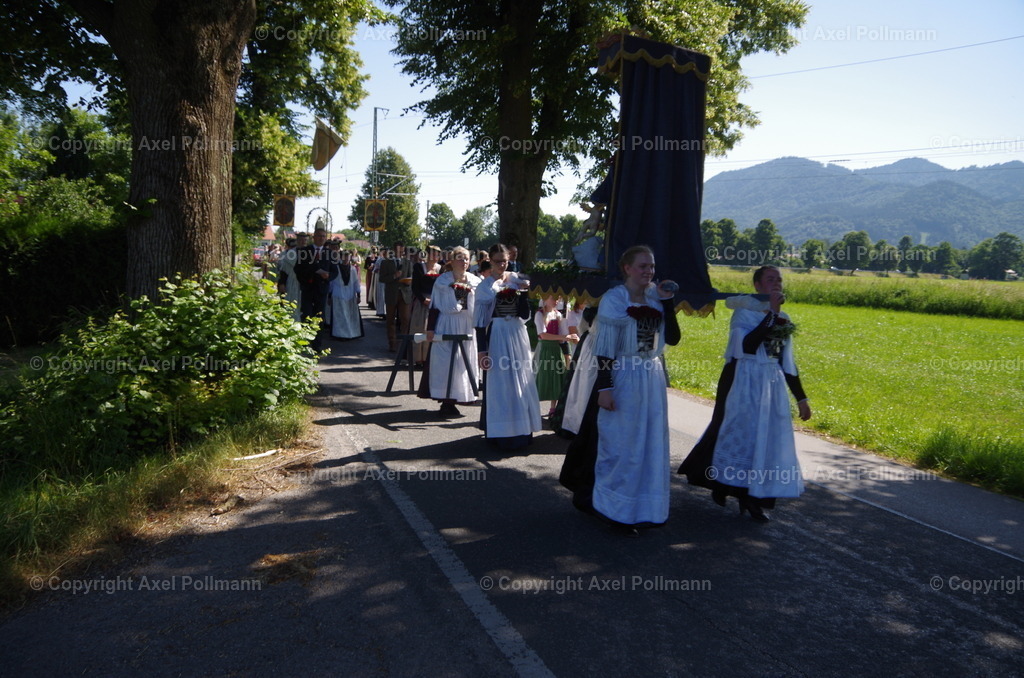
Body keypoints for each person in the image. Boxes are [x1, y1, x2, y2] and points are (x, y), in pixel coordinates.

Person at [558, 245, 680, 534]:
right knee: (620, 444)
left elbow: (672, 338)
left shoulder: (655, 297)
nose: (648, 271)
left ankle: (642, 506)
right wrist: (605, 389)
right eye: (642, 266)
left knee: (646, 442)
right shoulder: (615, 299)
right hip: (623, 374)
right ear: (627, 268)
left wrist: (669, 303)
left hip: (650, 376)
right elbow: (606, 351)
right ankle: (613, 507)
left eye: (651, 266)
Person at [678, 265, 811, 522]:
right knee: (735, 433)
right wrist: (771, 314)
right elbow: (747, 346)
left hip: (770, 384)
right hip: (742, 378)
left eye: (779, 280)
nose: (776, 284)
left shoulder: (785, 318)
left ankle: (754, 498)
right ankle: (721, 483)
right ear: (758, 286)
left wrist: (801, 398)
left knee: (765, 440)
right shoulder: (744, 312)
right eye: (770, 279)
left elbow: (787, 361)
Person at [474, 243, 541, 449]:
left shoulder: (516, 279)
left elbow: (523, 314)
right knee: (501, 383)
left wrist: (523, 294)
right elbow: (479, 322)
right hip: (498, 335)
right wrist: (481, 351)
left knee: (520, 379)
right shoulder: (485, 287)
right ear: (490, 262)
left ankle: (522, 430)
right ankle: (501, 432)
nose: (502, 265)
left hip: (517, 333)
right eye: (498, 261)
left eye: (505, 261)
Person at [426, 246, 481, 419]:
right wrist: (430, 329)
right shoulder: (442, 281)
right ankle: (446, 400)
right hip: (447, 322)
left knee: (462, 362)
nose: (464, 261)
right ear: (451, 260)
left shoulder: (475, 281)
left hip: (467, 323)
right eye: (460, 258)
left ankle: (459, 396)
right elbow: (434, 305)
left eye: (466, 258)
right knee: (445, 362)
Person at [294, 227, 336, 350]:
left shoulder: (330, 253)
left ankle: (317, 344)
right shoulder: (305, 251)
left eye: (323, 236)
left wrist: (328, 276)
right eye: (319, 236)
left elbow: (334, 271)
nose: (321, 238)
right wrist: (306, 280)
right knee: (306, 314)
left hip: (322, 289)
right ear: (314, 237)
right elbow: (297, 269)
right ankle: (305, 341)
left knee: (319, 317)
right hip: (308, 288)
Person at [534, 295, 576, 418]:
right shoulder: (540, 314)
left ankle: (553, 407)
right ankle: (532, 406)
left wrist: (568, 339)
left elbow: (563, 334)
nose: (556, 301)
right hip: (544, 348)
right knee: (541, 376)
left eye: (557, 299)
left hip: (555, 348)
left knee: (556, 377)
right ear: (545, 299)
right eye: (553, 298)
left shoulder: (558, 314)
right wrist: (563, 337)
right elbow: (542, 334)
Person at [410, 246, 441, 368]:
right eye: (432, 254)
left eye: (437, 254)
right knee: (419, 328)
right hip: (421, 301)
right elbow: (415, 286)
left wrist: (436, 300)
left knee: (433, 329)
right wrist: (423, 299)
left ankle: (429, 358)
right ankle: (418, 358)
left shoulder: (441, 269)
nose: (435, 256)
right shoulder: (419, 267)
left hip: (436, 302)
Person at [328, 249, 363, 340]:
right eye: (344, 256)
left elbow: (356, 283)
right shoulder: (335, 268)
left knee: (349, 315)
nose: (346, 258)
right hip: (338, 294)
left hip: (350, 294)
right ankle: (340, 334)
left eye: (347, 256)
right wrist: (329, 296)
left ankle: (351, 333)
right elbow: (331, 283)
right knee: (340, 316)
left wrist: (358, 295)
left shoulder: (353, 269)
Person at [276, 237, 302, 321]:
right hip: (289, 281)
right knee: (288, 301)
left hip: (300, 283)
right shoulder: (286, 254)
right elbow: (282, 270)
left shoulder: (304, 253)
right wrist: (281, 283)